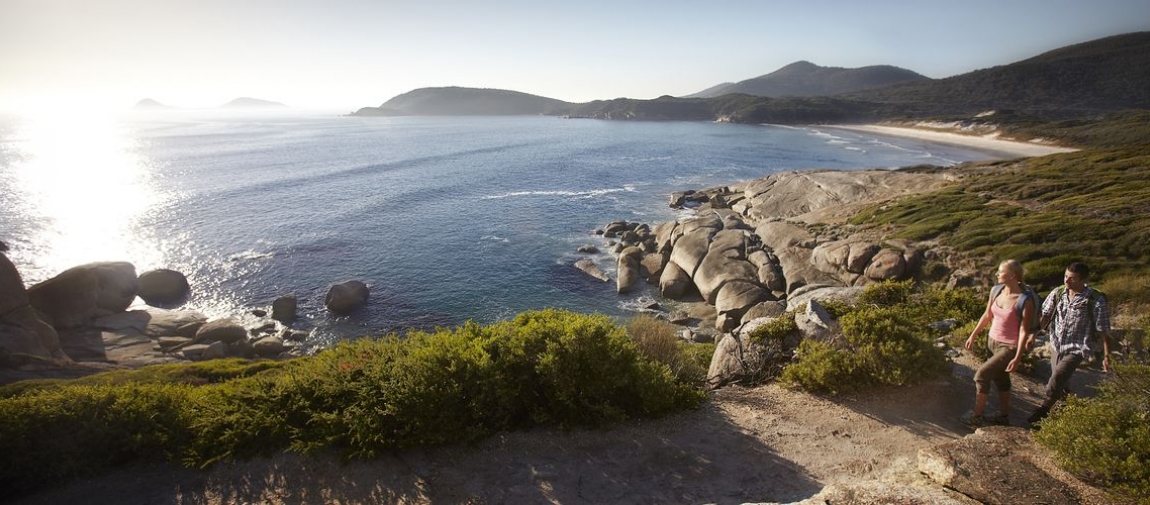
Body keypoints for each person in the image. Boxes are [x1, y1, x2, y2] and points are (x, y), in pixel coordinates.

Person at [1027, 262, 1111, 426]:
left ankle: (1042, 412)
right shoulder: (1058, 293)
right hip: (1057, 344)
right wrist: (1034, 334)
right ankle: (1068, 408)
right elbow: (1045, 315)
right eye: (1066, 276)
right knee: (1061, 382)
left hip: (1078, 347)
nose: (1067, 281)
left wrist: (1107, 355)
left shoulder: (1095, 299)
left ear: (1082, 280)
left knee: (1057, 376)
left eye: (1072, 279)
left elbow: (1103, 330)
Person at [961, 260, 1037, 426]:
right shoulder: (996, 290)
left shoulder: (1025, 300)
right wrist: (974, 334)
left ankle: (976, 415)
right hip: (992, 341)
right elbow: (987, 315)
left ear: (1012, 276)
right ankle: (1003, 416)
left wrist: (1017, 357)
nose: (996, 274)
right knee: (1001, 379)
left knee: (981, 376)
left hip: (1009, 346)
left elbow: (1024, 330)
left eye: (1000, 272)